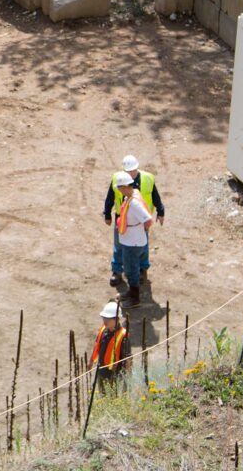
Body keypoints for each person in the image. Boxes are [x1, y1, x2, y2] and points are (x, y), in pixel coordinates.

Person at [103, 155, 164, 286]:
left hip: (141, 220)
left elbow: (155, 195)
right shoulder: (117, 179)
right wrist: (107, 214)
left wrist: (161, 211)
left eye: (133, 170)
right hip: (122, 218)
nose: (131, 173)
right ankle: (117, 270)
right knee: (119, 245)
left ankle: (142, 269)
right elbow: (110, 197)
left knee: (143, 246)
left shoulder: (147, 178)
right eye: (128, 171)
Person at [113, 172, 153, 307]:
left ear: (125, 187)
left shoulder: (134, 203)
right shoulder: (129, 197)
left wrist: (140, 231)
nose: (118, 190)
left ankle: (135, 298)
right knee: (130, 268)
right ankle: (131, 292)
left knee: (131, 270)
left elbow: (147, 220)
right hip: (130, 240)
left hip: (133, 242)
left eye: (119, 187)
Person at [91, 301, 131, 388]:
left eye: (108, 319)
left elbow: (127, 359)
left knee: (112, 398)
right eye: (104, 318)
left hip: (114, 376)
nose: (105, 321)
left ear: (116, 319)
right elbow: (97, 344)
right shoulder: (103, 330)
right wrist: (90, 361)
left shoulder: (123, 336)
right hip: (101, 370)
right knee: (102, 395)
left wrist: (127, 378)